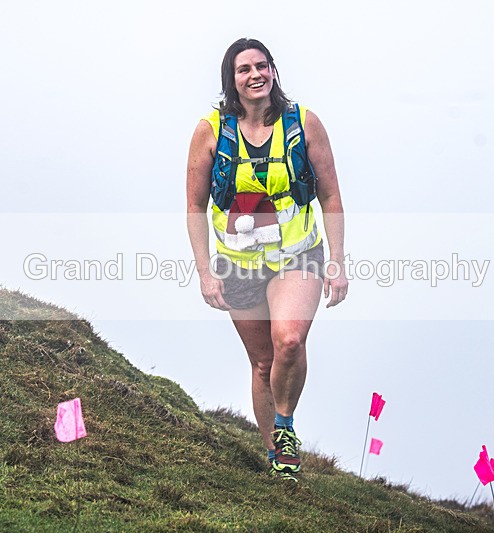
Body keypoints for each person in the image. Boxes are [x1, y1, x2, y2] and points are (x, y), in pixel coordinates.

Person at [186, 38, 347, 480]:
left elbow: (330, 194)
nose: (255, 74)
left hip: (298, 256)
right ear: (231, 80)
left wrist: (337, 261)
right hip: (237, 264)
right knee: (262, 363)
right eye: (244, 69)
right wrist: (205, 272)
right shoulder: (210, 130)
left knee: (289, 340)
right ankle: (278, 459)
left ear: (273, 71)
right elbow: (194, 206)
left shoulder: (304, 123)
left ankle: (285, 426)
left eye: (262, 66)